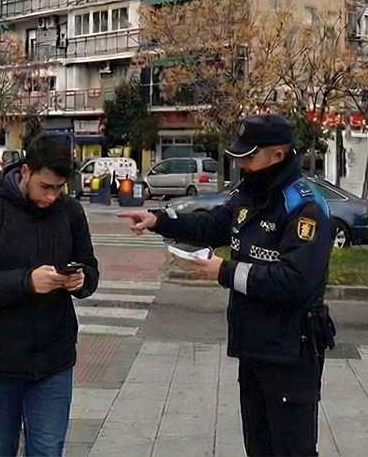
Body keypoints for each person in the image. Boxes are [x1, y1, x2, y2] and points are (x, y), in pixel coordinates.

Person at [119, 114, 336, 457]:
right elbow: (213, 225)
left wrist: (225, 271)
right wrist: (158, 221)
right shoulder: (251, 193)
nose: (241, 163)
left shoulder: (304, 206)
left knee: (292, 450)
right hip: (253, 346)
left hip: (290, 351)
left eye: (249, 156)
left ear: (277, 155)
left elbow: (295, 281)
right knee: (259, 447)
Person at [0, 135, 99, 457]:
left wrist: (81, 281)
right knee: (0, 448)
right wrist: (26, 283)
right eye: (46, 186)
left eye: (59, 188)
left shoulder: (70, 212)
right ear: (27, 172)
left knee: (47, 450)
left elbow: (90, 267)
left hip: (53, 360)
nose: (52, 196)